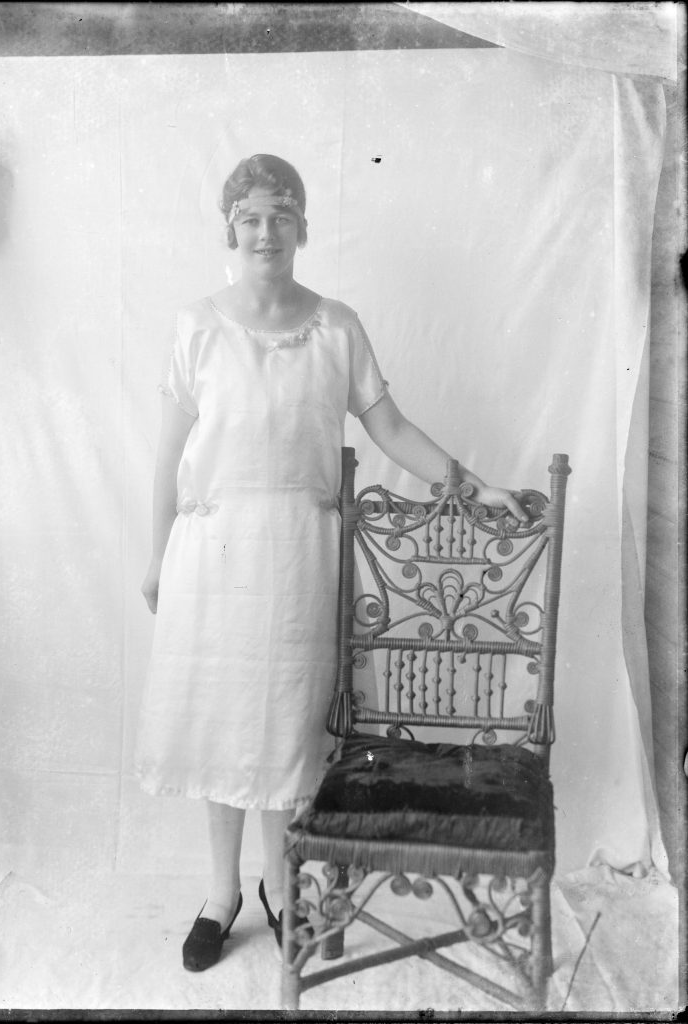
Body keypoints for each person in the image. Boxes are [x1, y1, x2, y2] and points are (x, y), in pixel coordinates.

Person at [135, 154, 526, 972]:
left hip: (301, 559)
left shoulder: (337, 326)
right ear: (228, 228)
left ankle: (280, 887)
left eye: (281, 214)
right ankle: (220, 893)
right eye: (249, 216)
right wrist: (152, 557)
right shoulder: (197, 325)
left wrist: (473, 487)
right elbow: (166, 451)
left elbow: (389, 426)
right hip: (214, 555)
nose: (265, 231)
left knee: (285, 726)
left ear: (303, 227)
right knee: (219, 725)